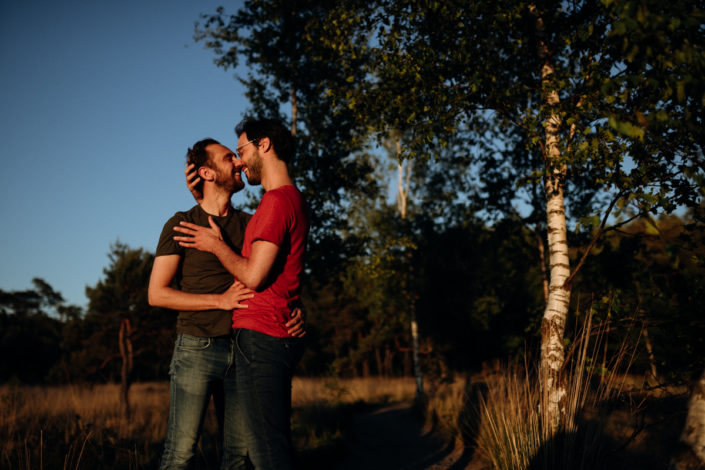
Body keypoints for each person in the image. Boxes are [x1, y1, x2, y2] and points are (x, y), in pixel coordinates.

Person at [148, 138, 304, 470]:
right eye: (227, 158)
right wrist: (219, 301)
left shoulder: (251, 222)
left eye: (237, 155)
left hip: (242, 350)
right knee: (179, 454)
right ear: (206, 172)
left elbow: (275, 273)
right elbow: (157, 294)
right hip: (196, 347)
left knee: (237, 457)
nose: (237, 163)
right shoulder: (181, 224)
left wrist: (298, 310)